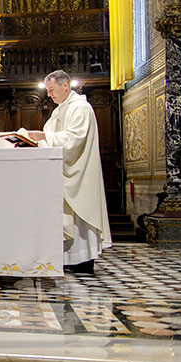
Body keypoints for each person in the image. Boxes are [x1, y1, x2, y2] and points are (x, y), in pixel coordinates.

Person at [25, 70, 111, 273]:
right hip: (61, 172)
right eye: (47, 91)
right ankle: (68, 259)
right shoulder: (59, 110)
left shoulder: (81, 108)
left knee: (80, 216)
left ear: (65, 86)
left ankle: (83, 260)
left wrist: (43, 137)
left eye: (52, 90)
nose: (49, 95)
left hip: (78, 172)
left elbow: (74, 139)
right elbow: (49, 137)